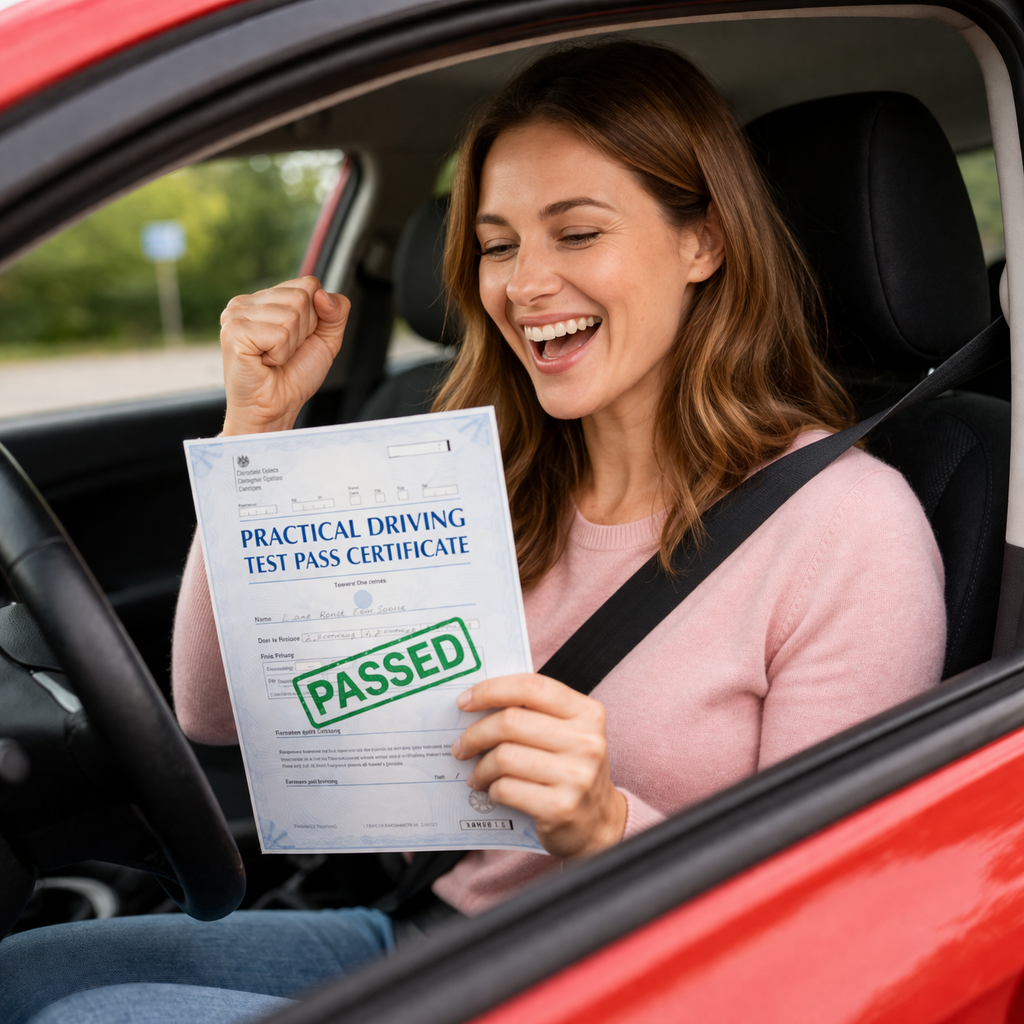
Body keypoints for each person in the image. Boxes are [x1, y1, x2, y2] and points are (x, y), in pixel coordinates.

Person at [0, 39, 945, 1024]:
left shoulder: (847, 528)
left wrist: (606, 823)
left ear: (702, 242)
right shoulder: (474, 476)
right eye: (498, 244)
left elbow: (823, 938)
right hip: (439, 933)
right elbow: (214, 711)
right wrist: (256, 433)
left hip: (647, 988)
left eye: (576, 233)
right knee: (17, 978)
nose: (525, 283)